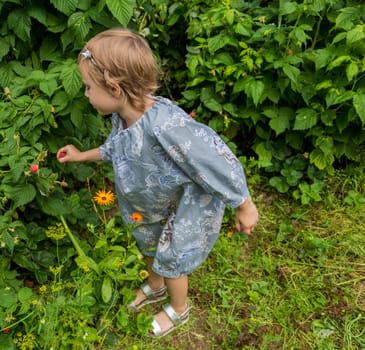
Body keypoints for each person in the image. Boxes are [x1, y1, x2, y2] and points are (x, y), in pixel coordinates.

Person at [56, 28, 259, 338]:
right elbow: (117, 147)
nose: (85, 94)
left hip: (185, 204)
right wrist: (82, 155)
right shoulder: (122, 116)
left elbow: (214, 159)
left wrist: (243, 204)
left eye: (87, 87)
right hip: (151, 203)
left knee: (172, 256)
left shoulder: (165, 125)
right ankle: (155, 286)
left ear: (114, 88)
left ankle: (179, 308)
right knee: (149, 243)